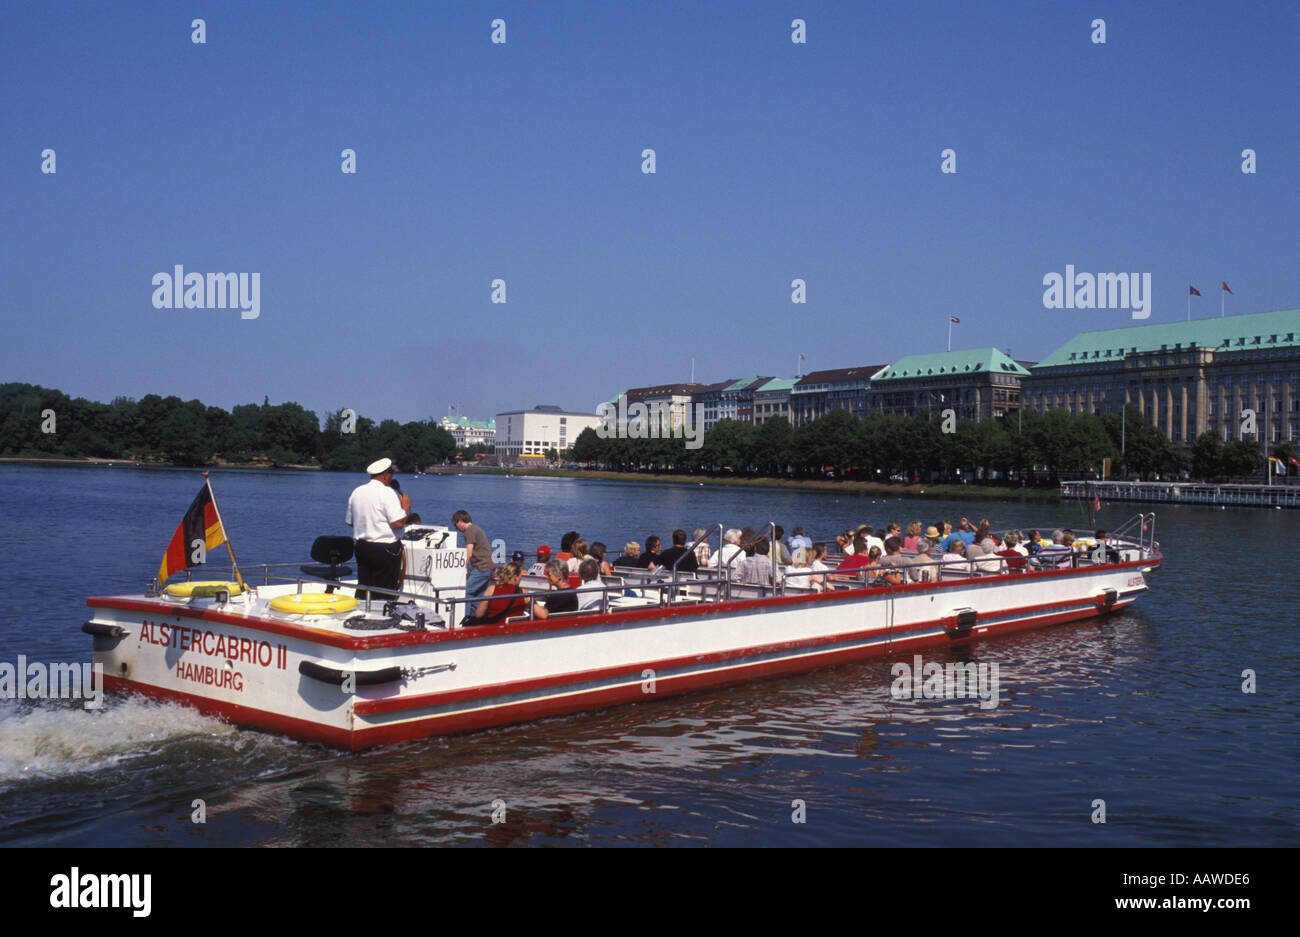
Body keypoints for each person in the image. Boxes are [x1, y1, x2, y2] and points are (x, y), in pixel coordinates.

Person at [345, 457, 413, 602]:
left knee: (364, 587)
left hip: (362, 547)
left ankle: (362, 615)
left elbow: (351, 522)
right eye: (391, 473)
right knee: (384, 591)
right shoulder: (387, 493)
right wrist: (406, 507)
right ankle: (381, 619)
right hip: (385, 549)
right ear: (386, 474)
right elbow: (398, 523)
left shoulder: (357, 491)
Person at [453, 509, 495, 598]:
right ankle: (474, 612)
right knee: (478, 595)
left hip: (482, 567)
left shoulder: (469, 531)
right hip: (488, 567)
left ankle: (465, 612)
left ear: (460, 521)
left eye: (455, 525)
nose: (456, 528)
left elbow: (469, 553)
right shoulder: (475, 528)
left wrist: (461, 568)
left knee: (466, 592)